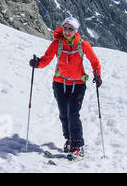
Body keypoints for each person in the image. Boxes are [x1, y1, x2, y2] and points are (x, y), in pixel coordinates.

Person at [30, 15, 101, 157]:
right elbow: (46, 59)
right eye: (65, 28)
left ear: (76, 30)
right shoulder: (57, 44)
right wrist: (37, 63)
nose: (67, 31)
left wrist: (97, 75)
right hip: (59, 84)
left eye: (70, 29)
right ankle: (69, 139)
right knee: (64, 115)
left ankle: (78, 145)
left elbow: (95, 61)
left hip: (78, 85)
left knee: (73, 114)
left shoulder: (83, 44)